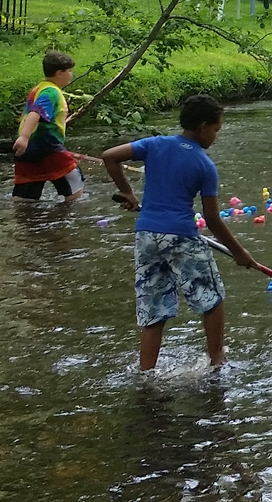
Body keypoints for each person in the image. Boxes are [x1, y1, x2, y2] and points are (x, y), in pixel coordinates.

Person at [103, 94, 258, 370]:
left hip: (146, 236)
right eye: (216, 130)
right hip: (181, 236)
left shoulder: (154, 144)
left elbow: (110, 157)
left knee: (153, 308)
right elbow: (211, 218)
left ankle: (146, 371)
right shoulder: (204, 165)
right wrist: (239, 252)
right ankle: (217, 361)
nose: (216, 136)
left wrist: (127, 191)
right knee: (212, 297)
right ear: (202, 126)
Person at [13, 50, 83, 202]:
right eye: (69, 71)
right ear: (59, 73)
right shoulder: (51, 92)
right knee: (74, 181)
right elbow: (35, 112)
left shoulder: (38, 89)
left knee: (26, 194)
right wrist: (24, 137)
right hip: (47, 146)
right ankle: (67, 217)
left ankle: (27, 219)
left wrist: (24, 139)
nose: (71, 74)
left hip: (28, 150)